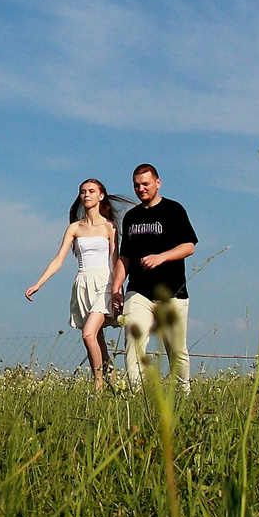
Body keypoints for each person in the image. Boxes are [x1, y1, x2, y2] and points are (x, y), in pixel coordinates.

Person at [26, 178, 119, 391]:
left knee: (88, 335)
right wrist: (38, 284)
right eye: (83, 192)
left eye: (91, 191)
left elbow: (116, 261)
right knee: (97, 339)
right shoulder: (74, 228)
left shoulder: (109, 227)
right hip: (83, 284)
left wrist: (117, 289)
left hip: (104, 283)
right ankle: (112, 377)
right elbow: (58, 260)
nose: (86, 195)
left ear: (101, 196)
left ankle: (98, 385)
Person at [114, 164, 196, 392]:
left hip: (172, 292)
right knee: (133, 342)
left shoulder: (174, 210)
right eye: (137, 185)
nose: (141, 189)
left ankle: (182, 393)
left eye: (145, 184)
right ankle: (136, 393)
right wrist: (116, 286)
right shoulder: (131, 217)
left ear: (157, 183)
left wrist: (162, 257)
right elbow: (125, 257)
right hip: (138, 291)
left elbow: (189, 246)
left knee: (177, 349)